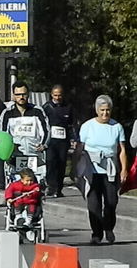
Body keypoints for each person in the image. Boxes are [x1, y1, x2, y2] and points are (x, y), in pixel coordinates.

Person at [77, 95, 128, 244]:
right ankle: (96, 234)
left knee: (111, 202)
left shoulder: (116, 127)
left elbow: (122, 150)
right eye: (102, 110)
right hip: (91, 169)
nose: (105, 113)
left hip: (109, 170)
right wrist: (76, 169)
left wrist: (124, 169)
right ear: (96, 110)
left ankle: (109, 228)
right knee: (94, 204)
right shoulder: (87, 126)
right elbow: (80, 149)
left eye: (107, 110)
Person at [0, 81, 50, 157]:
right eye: (18, 95)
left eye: (24, 94)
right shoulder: (7, 113)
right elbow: (2, 134)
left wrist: (44, 145)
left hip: (35, 155)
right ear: (13, 96)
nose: (21, 97)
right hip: (14, 155)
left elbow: (46, 130)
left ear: (28, 94)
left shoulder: (38, 111)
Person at [42, 84, 76, 197]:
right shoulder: (46, 107)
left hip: (63, 140)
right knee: (51, 162)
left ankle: (59, 188)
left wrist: (73, 138)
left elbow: (71, 124)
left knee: (62, 164)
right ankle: (51, 186)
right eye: (55, 95)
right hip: (50, 141)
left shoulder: (68, 107)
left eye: (59, 95)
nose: (57, 98)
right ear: (51, 95)